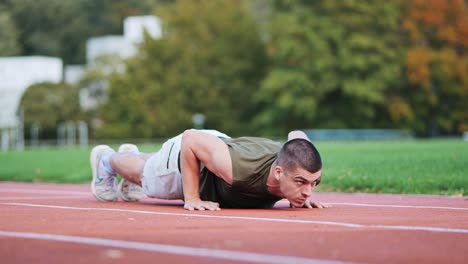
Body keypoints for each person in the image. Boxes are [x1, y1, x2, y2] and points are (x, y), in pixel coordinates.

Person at [90, 129, 326, 211]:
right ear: (278, 172)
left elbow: (297, 136)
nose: (308, 191)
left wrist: (298, 192)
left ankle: (130, 154)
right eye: (300, 182)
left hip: (216, 150)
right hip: (191, 157)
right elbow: (190, 139)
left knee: (154, 163)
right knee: (148, 176)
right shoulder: (240, 169)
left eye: (313, 183)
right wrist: (191, 197)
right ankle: (107, 160)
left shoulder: (292, 163)